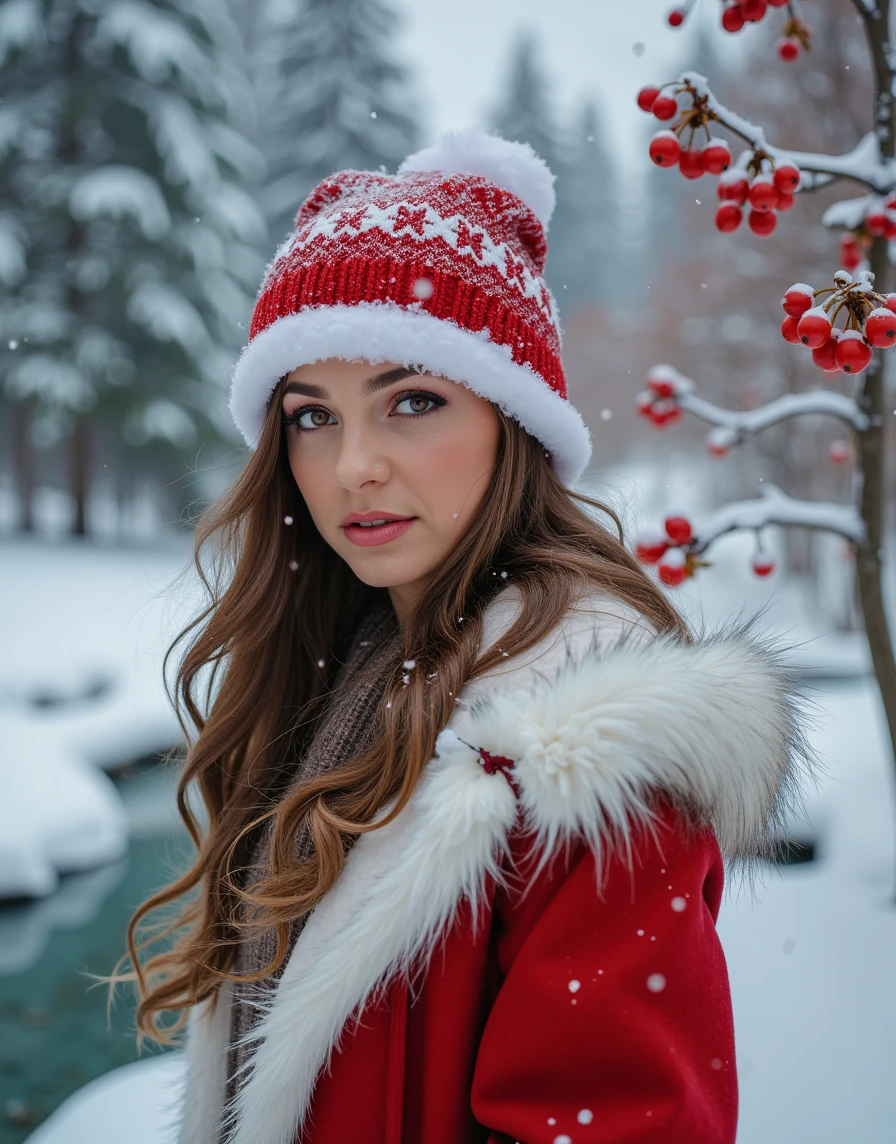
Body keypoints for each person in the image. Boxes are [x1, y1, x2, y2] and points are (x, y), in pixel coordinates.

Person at [123, 129, 813, 1144]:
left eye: (411, 401)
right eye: (311, 415)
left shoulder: (587, 755)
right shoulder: (338, 672)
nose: (351, 465)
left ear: (512, 424)